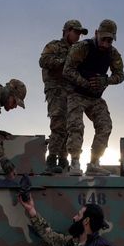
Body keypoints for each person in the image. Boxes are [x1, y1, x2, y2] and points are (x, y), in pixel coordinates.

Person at [63, 19, 124, 176]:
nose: (105, 44)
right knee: (76, 126)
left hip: (95, 98)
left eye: (109, 40)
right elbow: (67, 70)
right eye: (103, 39)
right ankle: (75, 162)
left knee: (105, 125)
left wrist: (106, 80)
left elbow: (120, 75)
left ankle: (94, 163)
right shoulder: (82, 47)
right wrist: (85, 83)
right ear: (96, 33)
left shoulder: (113, 53)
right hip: (76, 94)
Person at [39, 19, 87, 174]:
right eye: (76, 32)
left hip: (72, 92)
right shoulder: (54, 46)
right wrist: (66, 61)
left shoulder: (79, 50)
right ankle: (51, 159)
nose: (78, 36)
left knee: (70, 125)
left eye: (80, 34)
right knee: (58, 124)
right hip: (56, 90)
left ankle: (63, 159)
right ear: (67, 31)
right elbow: (43, 61)